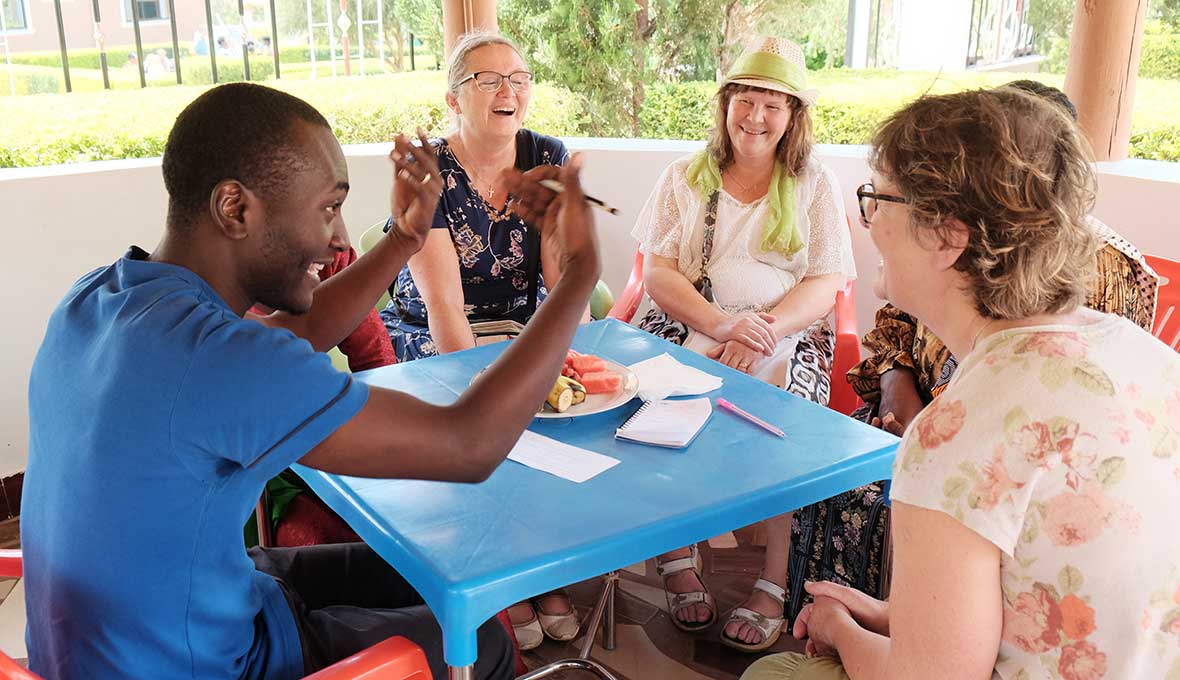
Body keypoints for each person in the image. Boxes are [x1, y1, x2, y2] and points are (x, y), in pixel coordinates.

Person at [23, 82, 602, 679]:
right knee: (482, 640)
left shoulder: (103, 296)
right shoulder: (219, 359)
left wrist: (403, 239)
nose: (341, 239)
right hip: (200, 665)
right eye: (328, 208)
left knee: (432, 570)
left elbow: (287, 335)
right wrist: (577, 272)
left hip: (133, 633)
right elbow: (470, 445)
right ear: (235, 209)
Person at [741, 87, 1180, 680]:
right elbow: (1048, 587)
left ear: (949, 237)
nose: (869, 223)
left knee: (772, 674)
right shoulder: (1144, 354)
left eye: (878, 199)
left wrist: (837, 627)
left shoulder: (956, 434)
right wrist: (896, 616)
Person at [630, 36, 853, 652]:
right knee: (657, 399)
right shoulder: (684, 176)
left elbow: (826, 281)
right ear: (725, 105)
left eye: (772, 105)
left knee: (790, 423)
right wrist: (722, 325)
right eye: (745, 101)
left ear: (793, 117)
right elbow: (659, 273)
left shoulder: (814, 183)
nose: (756, 117)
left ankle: (774, 581)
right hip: (693, 316)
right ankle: (677, 557)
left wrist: (765, 330)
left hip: (785, 328)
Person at [377, 30, 581, 649]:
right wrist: (483, 399)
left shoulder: (546, 154)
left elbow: (558, 275)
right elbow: (443, 306)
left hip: (517, 324)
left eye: (518, 78)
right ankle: (502, 576)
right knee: (482, 427)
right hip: (432, 333)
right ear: (453, 99)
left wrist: (561, 357)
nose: (507, 91)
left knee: (559, 415)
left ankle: (540, 564)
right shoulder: (428, 171)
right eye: (487, 80)